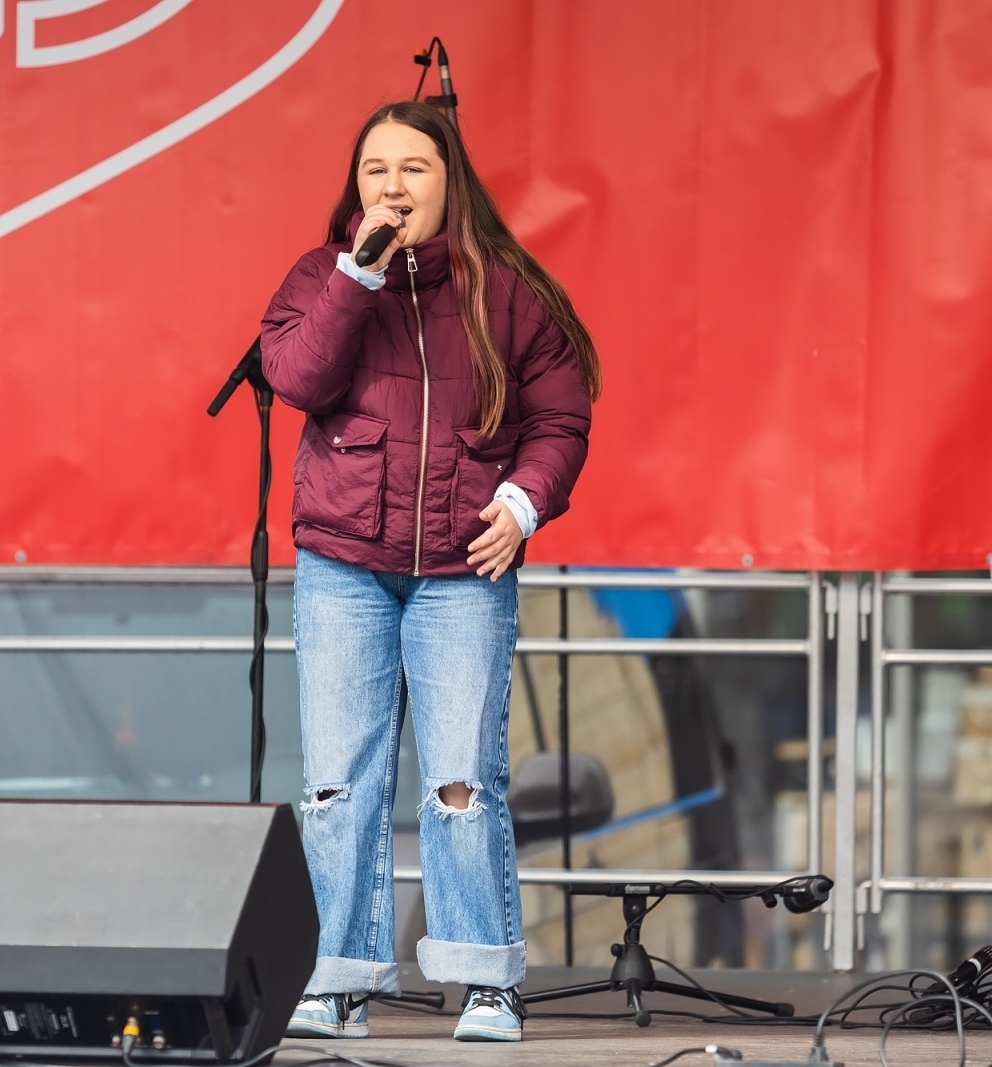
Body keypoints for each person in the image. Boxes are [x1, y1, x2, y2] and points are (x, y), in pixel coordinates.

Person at [260, 100, 600, 1043]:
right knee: (337, 782)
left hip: (461, 569)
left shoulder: (511, 289)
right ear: (354, 184)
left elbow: (562, 420)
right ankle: (337, 975)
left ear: (451, 182)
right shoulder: (322, 277)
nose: (393, 186)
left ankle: (487, 976)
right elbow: (295, 378)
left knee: (461, 780)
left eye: (413, 168)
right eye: (376, 169)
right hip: (343, 564)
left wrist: (526, 502)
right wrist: (354, 276)